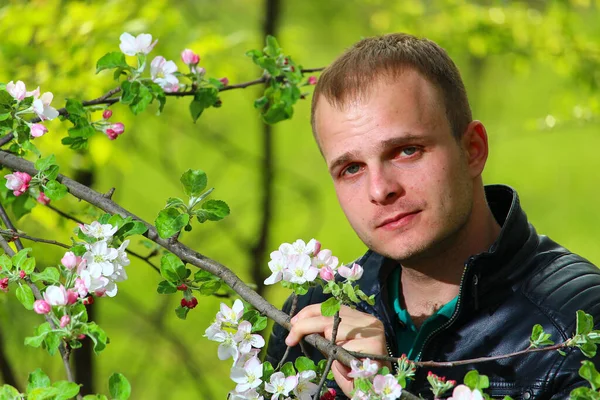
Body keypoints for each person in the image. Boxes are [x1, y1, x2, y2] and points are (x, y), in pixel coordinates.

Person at [265, 33, 600, 399]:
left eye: (406, 151)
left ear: (473, 150)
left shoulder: (580, 325)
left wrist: (379, 392)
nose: (380, 190)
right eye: (351, 169)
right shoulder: (316, 319)